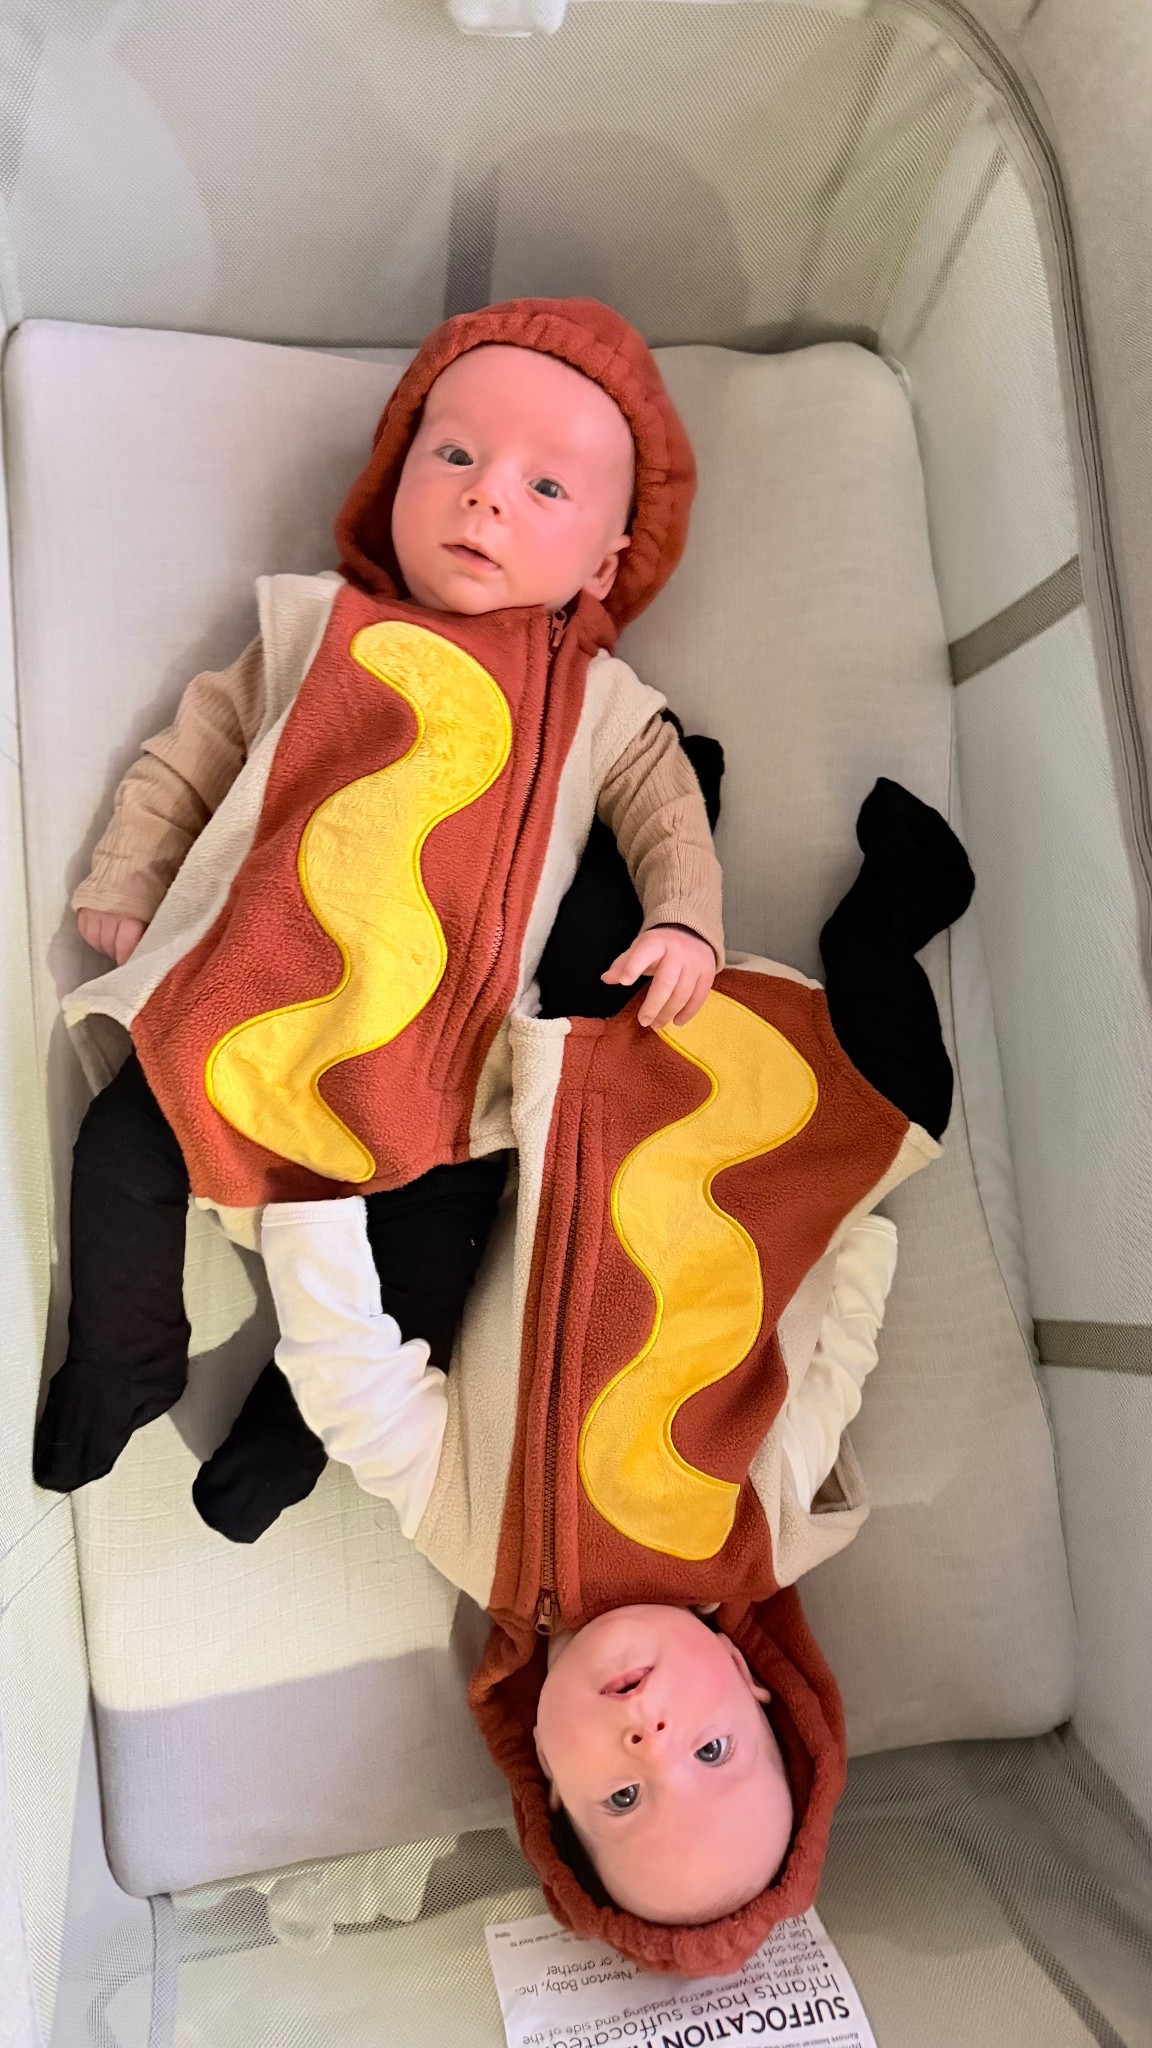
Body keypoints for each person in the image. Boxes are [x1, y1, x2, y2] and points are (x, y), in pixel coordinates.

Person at [250, 773, 975, 1972]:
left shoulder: (484, 1543)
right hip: (749, 1199)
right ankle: (877, 927)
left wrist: (311, 1198)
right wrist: (854, 1237)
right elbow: (827, 1384)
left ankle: (654, 808)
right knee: (907, 1101)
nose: (649, 1734)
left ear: (541, 1760)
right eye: (709, 1752)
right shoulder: (761, 1541)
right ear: (748, 1677)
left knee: (588, 949)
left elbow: (354, 1386)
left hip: (594, 1121)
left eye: (623, 1798)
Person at [35, 297, 725, 1532]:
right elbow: (190, 753)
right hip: (250, 993)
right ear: (391, 479)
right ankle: (126, 1347)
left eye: (545, 487)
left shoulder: (600, 701)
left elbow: (668, 808)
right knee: (122, 1144)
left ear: (608, 565)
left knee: (423, 1270)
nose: (485, 498)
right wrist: (131, 874)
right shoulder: (316, 631)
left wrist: (684, 921)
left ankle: (297, 1427)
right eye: (452, 455)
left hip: (439, 1070)